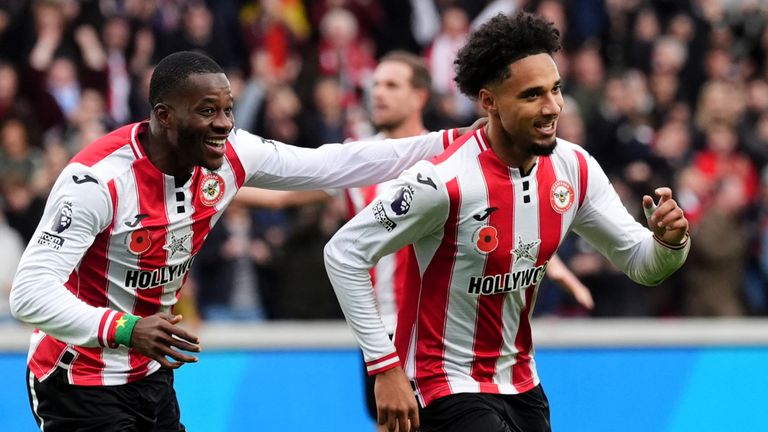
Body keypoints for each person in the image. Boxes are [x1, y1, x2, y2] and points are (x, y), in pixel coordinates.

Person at [9, 51, 457, 432]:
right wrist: (124, 328)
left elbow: (335, 163)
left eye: (228, 110)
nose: (223, 124)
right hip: (77, 379)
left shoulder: (228, 157)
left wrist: (453, 140)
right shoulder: (97, 181)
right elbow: (29, 295)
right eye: (207, 111)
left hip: (148, 375)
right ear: (164, 116)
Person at [324, 12, 690, 432]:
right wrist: (384, 367)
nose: (552, 107)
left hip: (522, 384)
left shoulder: (574, 168)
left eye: (555, 90)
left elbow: (643, 265)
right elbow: (343, 253)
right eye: (532, 95)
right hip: (441, 384)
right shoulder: (441, 181)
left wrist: (669, 244)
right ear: (489, 102)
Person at [236, 50, 593, 429]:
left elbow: (499, 222)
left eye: (391, 85)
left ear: (419, 96)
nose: (378, 94)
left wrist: (554, 265)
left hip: (437, 336)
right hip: (380, 326)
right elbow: (281, 194)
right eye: (374, 85)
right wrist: (209, 189)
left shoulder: (452, 161)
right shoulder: (362, 163)